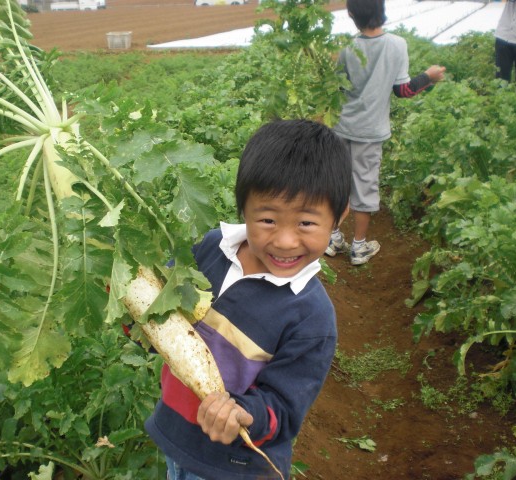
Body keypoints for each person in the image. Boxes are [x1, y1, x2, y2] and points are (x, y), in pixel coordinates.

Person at [144, 119, 351, 480]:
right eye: (268, 220)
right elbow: (163, 315)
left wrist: (243, 414)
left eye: (306, 224)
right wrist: (136, 306)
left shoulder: (311, 319)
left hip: (236, 466)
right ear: (244, 209)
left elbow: (284, 409)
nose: (286, 241)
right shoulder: (210, 247)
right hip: (176, 434)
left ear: (339, 217)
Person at [324, 0, 446, 265]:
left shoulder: (346, 48)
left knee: (338, 182)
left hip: (341, 127)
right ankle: (358, 247)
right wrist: (429, 76)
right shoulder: (396, 45)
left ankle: (332, 238)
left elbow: (336, 89)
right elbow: (403, 90)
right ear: (382, 11)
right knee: (364, 185)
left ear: (351, 15)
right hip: (370, 132)